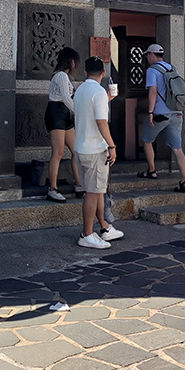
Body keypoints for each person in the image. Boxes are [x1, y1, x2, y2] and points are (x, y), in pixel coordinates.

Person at [72, 56, 124, 249]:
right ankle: (86, 233)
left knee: (97, 190)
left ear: (85, 72)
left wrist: (106, 99)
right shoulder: (99, 92)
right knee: (93, 193)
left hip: (81, 146)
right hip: (95, 148)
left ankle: (104, 226)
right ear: (103, 73)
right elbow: (101, 122)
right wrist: (112, 146)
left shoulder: (80, 90)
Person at [138, 43, 185, 192]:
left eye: (147, 55)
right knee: (177, 148)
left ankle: (152, 170)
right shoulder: (173, 68)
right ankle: (184, 179)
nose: (147, 58)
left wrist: (150, 112)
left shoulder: (152, 70)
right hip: (176, 112)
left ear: (151, 55)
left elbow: (153, 91)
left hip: (160, 114)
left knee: (147, 140)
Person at [45, 47, 81, 203]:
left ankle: (79, 184)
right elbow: (66, 98)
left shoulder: (65, 76)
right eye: (75, 61)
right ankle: (52, 189)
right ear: (71, 61)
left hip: (65, 113)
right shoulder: (61, 75)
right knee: (58, 152)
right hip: (57, 113)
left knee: (76, 150)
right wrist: (79, 113)